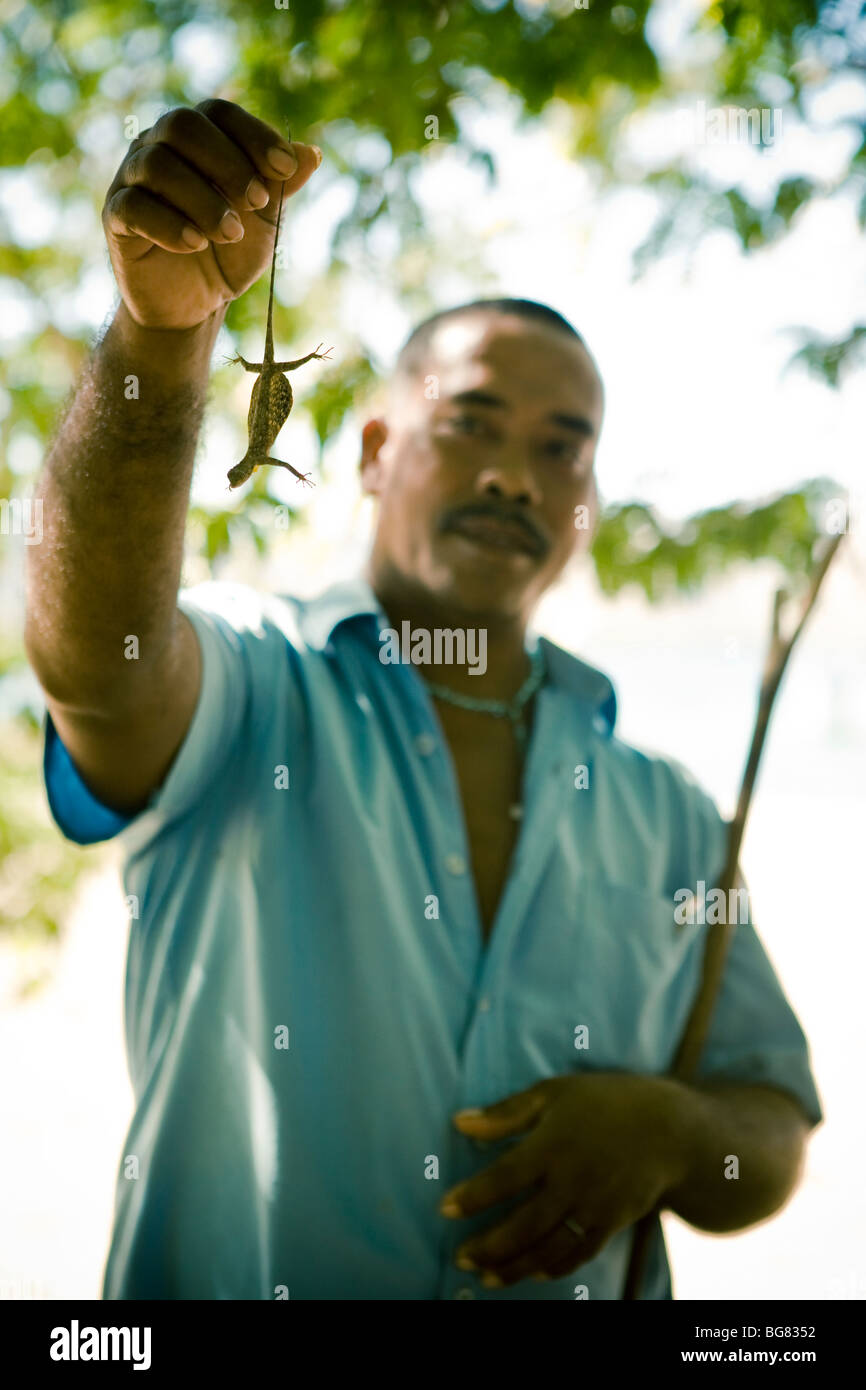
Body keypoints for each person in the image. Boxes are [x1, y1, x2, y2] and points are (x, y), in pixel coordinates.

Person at [25, 99, 822, 1301]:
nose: (514, 471)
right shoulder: (252, 691)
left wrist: (666, 1128)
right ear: (372, 451)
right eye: (470, 423)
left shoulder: (667, 813)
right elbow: (98, 659)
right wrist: (154, 340)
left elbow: (768, 1124)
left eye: (564, 446)